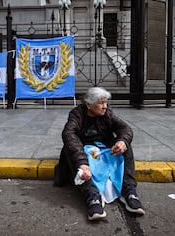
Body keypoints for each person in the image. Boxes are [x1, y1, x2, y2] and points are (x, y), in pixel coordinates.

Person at [57, 87, 144, 221]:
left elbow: (125, 128)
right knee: (72, 149)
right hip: (84, 149)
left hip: (103, 147)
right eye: (101, 103)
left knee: (126, 146)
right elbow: (69, 135)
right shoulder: (77, 114)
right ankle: (92, 196)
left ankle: (129, 191)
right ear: (89, 105)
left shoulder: (108, 113)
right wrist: (82, 163)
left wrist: (122, 142)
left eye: (106, 102)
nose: (105, 106)